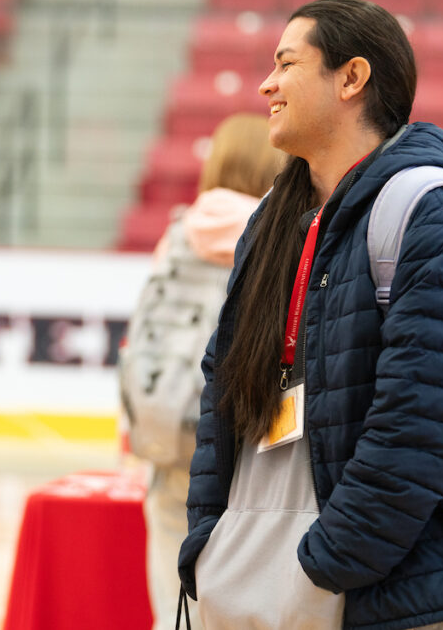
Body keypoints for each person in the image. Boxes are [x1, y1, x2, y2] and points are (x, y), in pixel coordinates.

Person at [177, 0, 443, 629]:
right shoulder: (271, 219)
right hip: (262, 576)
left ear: (352, 78)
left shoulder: (433, 209)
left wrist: (328, 565)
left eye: (286, 64)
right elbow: (220, 388)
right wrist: (209, 541)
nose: (266, 84)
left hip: (386, 593)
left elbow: (429, 419)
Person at [129, 112, 282, 630]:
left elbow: (142, 336)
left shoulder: (177, 234)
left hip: (167, 436)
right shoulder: (276, 235)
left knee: (172, 603)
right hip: (239, 446)